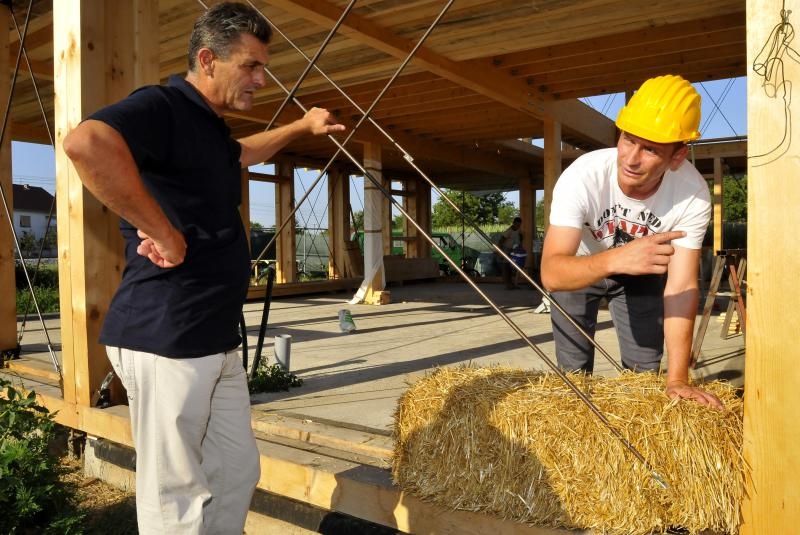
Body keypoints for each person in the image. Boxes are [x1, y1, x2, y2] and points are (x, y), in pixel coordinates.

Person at [62, 3, 345, 533]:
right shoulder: (164, 105)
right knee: (175, 492)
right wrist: (161, 229)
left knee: (237, 471)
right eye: (252, 66)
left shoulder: (208, 129)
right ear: (209, 60)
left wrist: (302, 126)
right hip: (167, 332)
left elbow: (242, 154)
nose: (261, 79)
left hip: (213, 337)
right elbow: (86, 143)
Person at [540, 74, 723, 409]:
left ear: (677, 157)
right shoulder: (583, 175)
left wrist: (678, 378)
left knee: (643, 380)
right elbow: (552, 272)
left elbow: (681, 286)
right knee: (573, 378)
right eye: (628, 139)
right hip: (579, 267)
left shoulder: (692, 195)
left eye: (650, 149)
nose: (630, 159)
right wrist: (615, 259)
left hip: (642, 274)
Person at [497, 216, 524, 289]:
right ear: (513, 223)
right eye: (516, 224)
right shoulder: (509, 231)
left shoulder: (519, 230)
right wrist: (500, 251)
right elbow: (501, 240)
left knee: (515, 267)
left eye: (519, 225)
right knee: (506, 266)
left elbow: (521, 236)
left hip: (515, 250)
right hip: (507, 249)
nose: (518, 226)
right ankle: (507, 284)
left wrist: (520, 245)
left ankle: (514, 283)